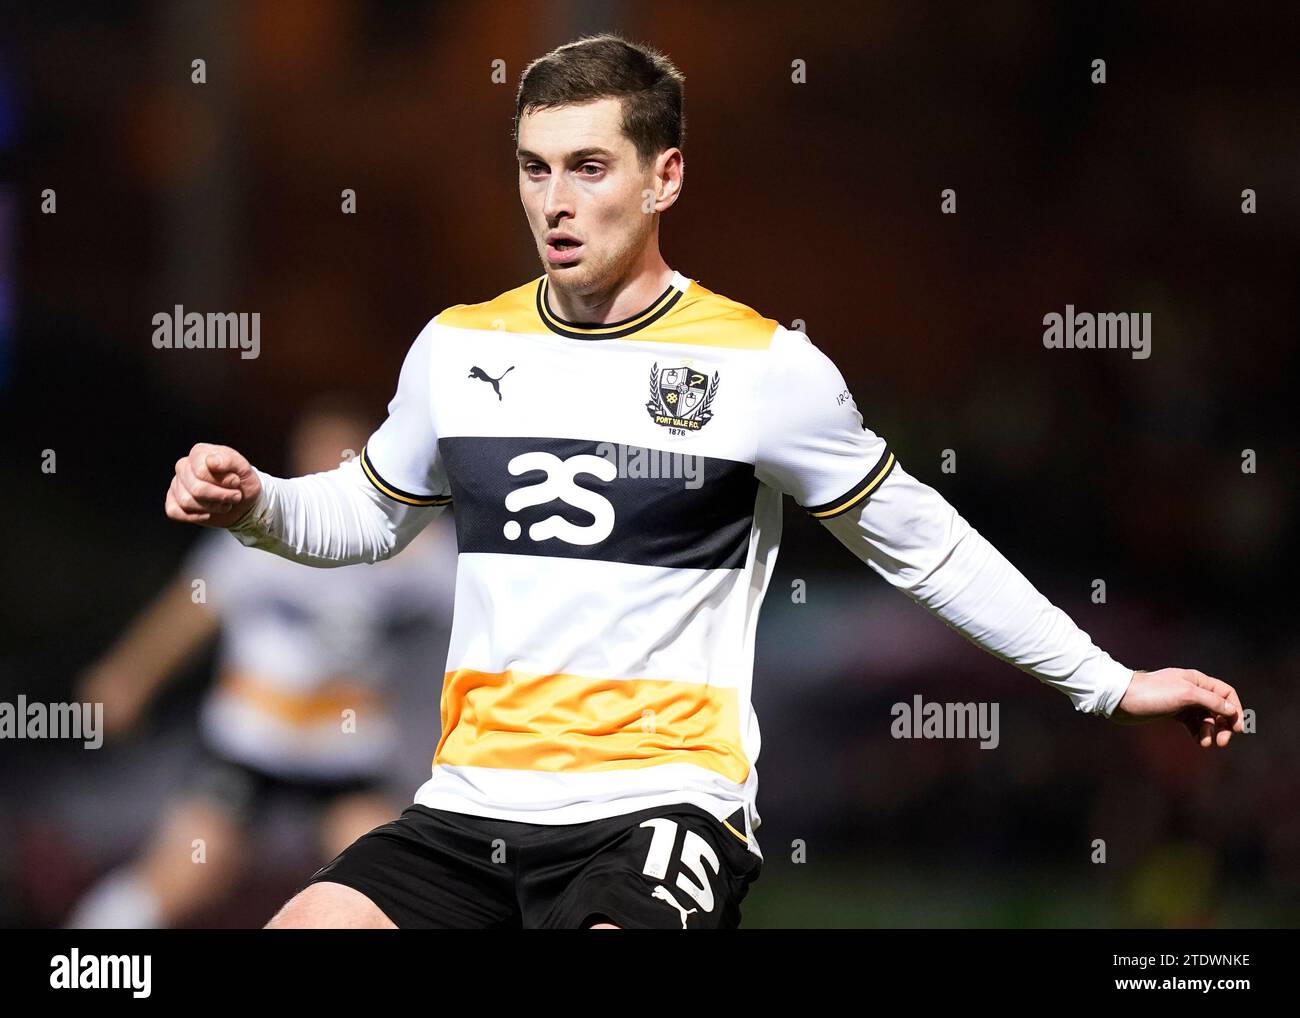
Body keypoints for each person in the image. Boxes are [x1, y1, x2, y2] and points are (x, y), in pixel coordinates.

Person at [162, 34, 1245, 930]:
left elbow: (926, 543)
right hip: (470, 805)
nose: (555, 201)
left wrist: (1106, 681)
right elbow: (364, 515)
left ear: (663, 174)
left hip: (659, 803)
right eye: (535, 168)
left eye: (589, 167)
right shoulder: (455, 348)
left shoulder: (764, 369)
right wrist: (255, 501)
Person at [68, 396, 456, 928]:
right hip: (253, 741)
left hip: (342, 753)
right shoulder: (266, 532)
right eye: (316, 448)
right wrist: (128, 676)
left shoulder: (404, 542)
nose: (329, 461)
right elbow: (192, 609)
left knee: (384, 886)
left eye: (343, 450)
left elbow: (486, 598)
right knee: (189, 870)